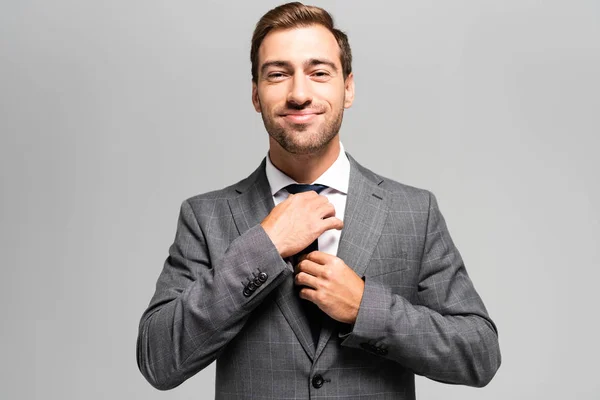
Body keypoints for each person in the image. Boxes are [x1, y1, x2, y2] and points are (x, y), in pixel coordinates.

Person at [136, 2, 501, 398]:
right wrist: (264, 248)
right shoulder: (205, 217)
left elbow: (479, 353)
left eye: (318, 73)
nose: (298, 93)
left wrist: (365, 307)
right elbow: (159, 360)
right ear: (256, 95)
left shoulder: (413, 211)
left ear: (348, 88)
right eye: (278, 74)